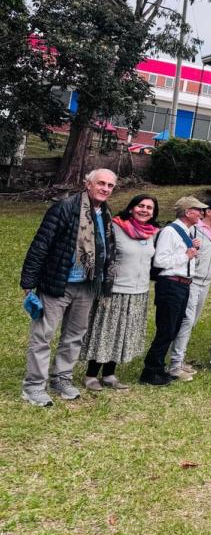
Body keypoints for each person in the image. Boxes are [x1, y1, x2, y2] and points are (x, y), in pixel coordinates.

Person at [20, 168, 117, 405]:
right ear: (88, 185)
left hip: (86, 285)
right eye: (101, 183)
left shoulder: (105, 213)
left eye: (110, 186)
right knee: (43, 335)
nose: (105, 189)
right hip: (57, 283)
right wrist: (29, 281)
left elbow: (106, 250)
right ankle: (33, 386)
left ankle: (61, 378)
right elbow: (41, 244)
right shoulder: (65, 208)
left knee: (74, 336)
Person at [79, 193, 156, 392]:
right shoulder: (115, 227)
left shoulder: (151, 234)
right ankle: (90, 375)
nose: (144, 210)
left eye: (149, 208)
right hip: (115, 290)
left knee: (123, 333)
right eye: (141, 206)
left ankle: (109, 374)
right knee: (106, 331)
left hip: (139, 292)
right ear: (131, 208)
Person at [140, 195, 205, 386]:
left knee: (173, 327)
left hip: (183, 284)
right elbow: (160, 261)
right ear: (187, 212)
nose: (201, 213)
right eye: (198, 210)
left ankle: (159, 368)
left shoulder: (187, 231)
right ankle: (150, 370)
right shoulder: (170, 232)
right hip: (170, 284)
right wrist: (186, 254)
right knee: (166, 328)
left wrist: (191, 250)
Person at [168, 196, 211, 378]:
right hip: (191, 281)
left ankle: (179, 358)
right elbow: (180, 251)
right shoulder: (193, 229)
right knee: (186, 321)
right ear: (208, 211)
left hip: (206, 282)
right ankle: (175, 365)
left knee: (191, 322)